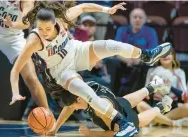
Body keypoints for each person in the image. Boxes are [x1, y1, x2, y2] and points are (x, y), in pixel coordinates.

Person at [10, 1, 172, 136]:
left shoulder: (62, 19)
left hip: (76, 51)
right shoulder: (34, 40)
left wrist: (106, 9)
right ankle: (123, 123)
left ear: (55, 22)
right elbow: (16, 69)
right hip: (61, 70)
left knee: (111, 45)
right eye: (40, 28)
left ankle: (146, 55)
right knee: (87, 93)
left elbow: (83, 7)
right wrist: (15, 91)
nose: (44, 33)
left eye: (48, 29)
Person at [50, 77, 172, 137]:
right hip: (116, 103)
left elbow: (115, 131)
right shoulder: (81, 88)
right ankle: (152, 86)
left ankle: (161, 107)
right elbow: (69, 107)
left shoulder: (100, 110)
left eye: (75, 106)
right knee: (123, 101)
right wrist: (55, 129)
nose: (75, 109)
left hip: (120, 118)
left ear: (79, 99)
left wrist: (91, 134)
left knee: (136, 122)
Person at [0, 0, 49, 108]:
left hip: (13, 39)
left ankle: (48, 118)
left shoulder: (27, 2)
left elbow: (26, 23)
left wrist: (13, 24)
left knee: (31, 78)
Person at [137, 50, 188, 127]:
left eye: (168, 54)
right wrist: (155, 85)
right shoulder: (152, 71)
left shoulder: (179, 72)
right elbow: (146, 95)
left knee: (187, 107)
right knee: (140, 105)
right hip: (156, 106)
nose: (165, 56)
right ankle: (173, 123)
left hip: (173, 106)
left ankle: (157, 121)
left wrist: (169, 87)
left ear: (173, 56)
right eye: (163, 54)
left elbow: (184, 96)